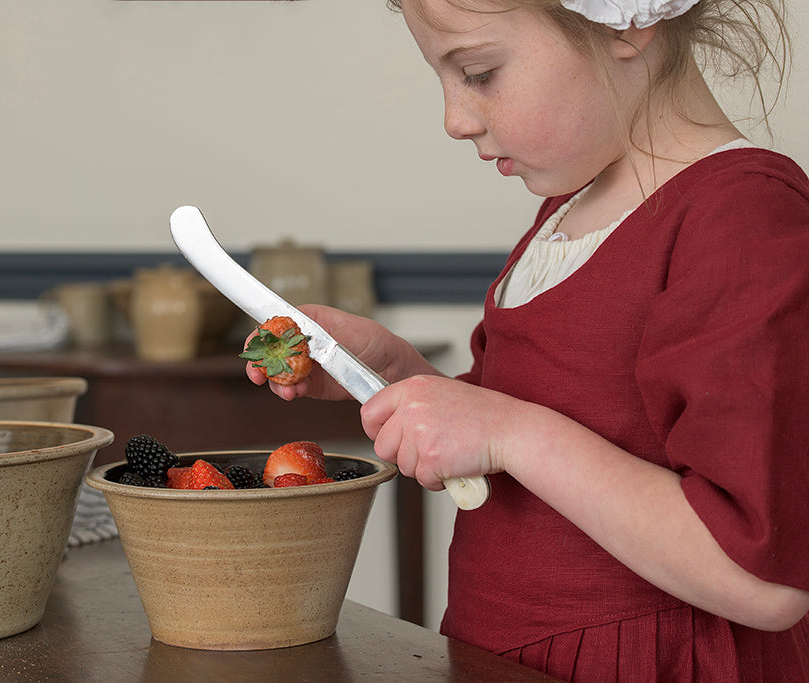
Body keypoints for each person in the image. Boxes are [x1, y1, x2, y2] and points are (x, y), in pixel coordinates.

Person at [244, 0, 809, 680]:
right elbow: (534, 441)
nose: (455, 120)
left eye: (479, 73)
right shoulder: (570, 207)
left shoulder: (743, 216)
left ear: (626, 23)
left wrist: (509, 432)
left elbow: (763, 579)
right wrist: (399, 375)